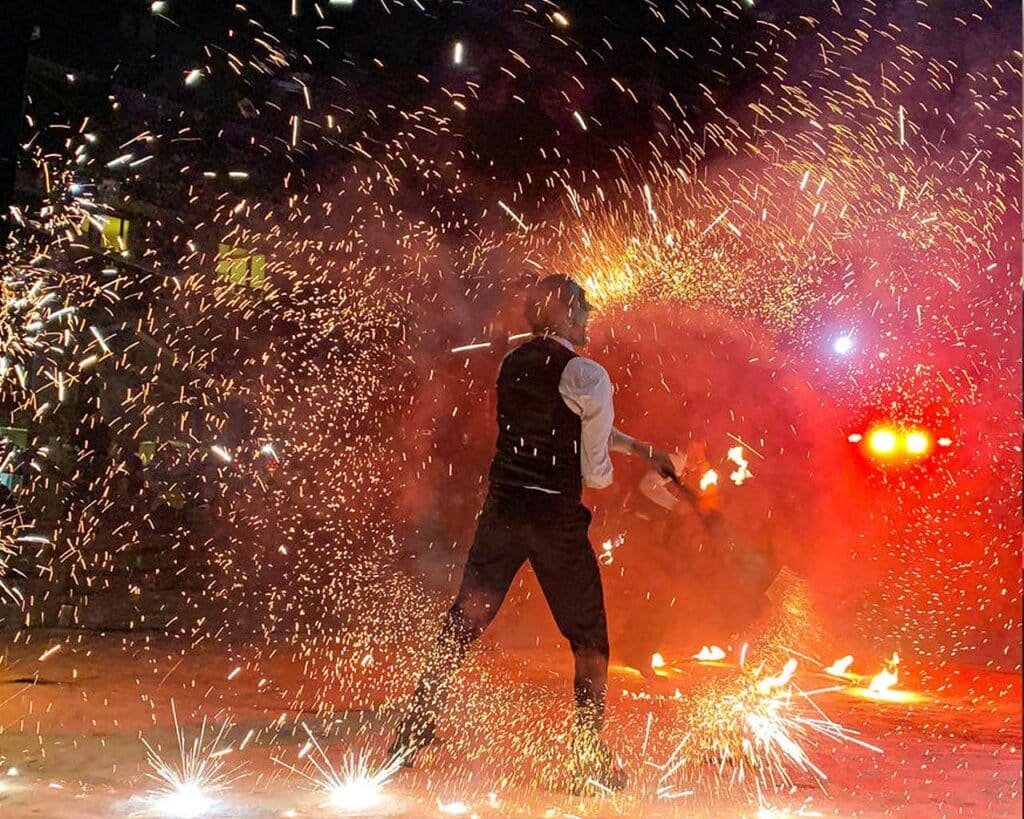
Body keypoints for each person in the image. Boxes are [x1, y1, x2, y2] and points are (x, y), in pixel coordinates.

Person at [388, 274, 677, 793]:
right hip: (553, 520)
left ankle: (413, 729)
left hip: (502, 512)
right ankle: (588, 760)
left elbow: (568, 422)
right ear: (565, 314)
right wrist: (634, 481)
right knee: (590, 640)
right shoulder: (589, 373)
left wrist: (641, 449)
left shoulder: (512, 363)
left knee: (463, 621)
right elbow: (592, 467)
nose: (589, 318)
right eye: (584, 309)